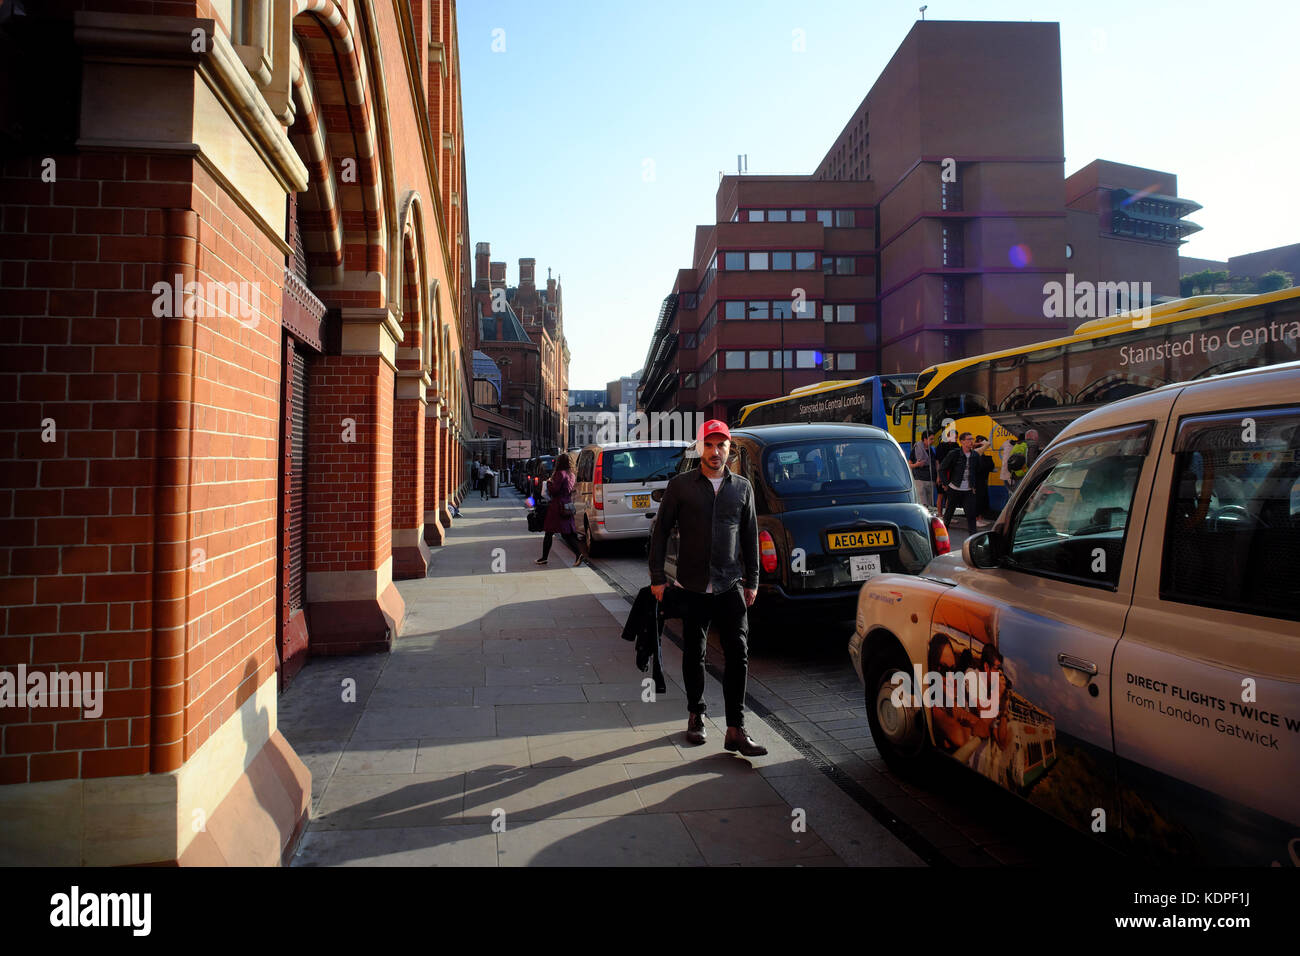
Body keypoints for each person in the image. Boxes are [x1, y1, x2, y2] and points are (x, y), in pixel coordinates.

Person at [648, 419, 766, 757]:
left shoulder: (742, 488)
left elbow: (749, 537)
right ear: (701, 447)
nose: (716, 452)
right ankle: (696, 715)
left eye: (722, 446)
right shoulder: (681, 486)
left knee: (739, 655)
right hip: (692, 585)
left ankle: (735, 729)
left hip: (730, 584)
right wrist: (658, 577)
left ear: (730, 450)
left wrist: (753, 580)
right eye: (710, 445)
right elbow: (660, 532)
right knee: (694, 654)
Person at [535, 453, 589, 567]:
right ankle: (576, 554)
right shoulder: (572, 475)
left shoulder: (560, 474)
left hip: (557, 507)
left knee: (550, 532)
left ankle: (545, 558)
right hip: (567, 505)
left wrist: (549, 482)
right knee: (566, 533)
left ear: (560, 462)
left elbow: (554, 490)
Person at [939, 432, 981, 534]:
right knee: (948, 515)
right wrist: (946, 484)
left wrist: (974, 485)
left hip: (968, 490)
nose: (971, 441)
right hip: (954, 489)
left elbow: (977, 471)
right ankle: (942, 538)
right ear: (962, 442)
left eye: (972, 439)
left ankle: (973, 541)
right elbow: (942, 468)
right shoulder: (954, 453)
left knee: (971, 516)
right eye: (968, 439)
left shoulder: (975, 455)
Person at [909, 430, 938, 509]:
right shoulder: (916, 449)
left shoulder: (932, 450)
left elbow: (935, 463)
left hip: (931, 479)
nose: (933, 441)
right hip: (920, 479)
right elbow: (909, 465)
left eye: (933, 439)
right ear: (924, 439)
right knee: (923, 504)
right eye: (931, 439)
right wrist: (917, 465)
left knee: (929, 504)